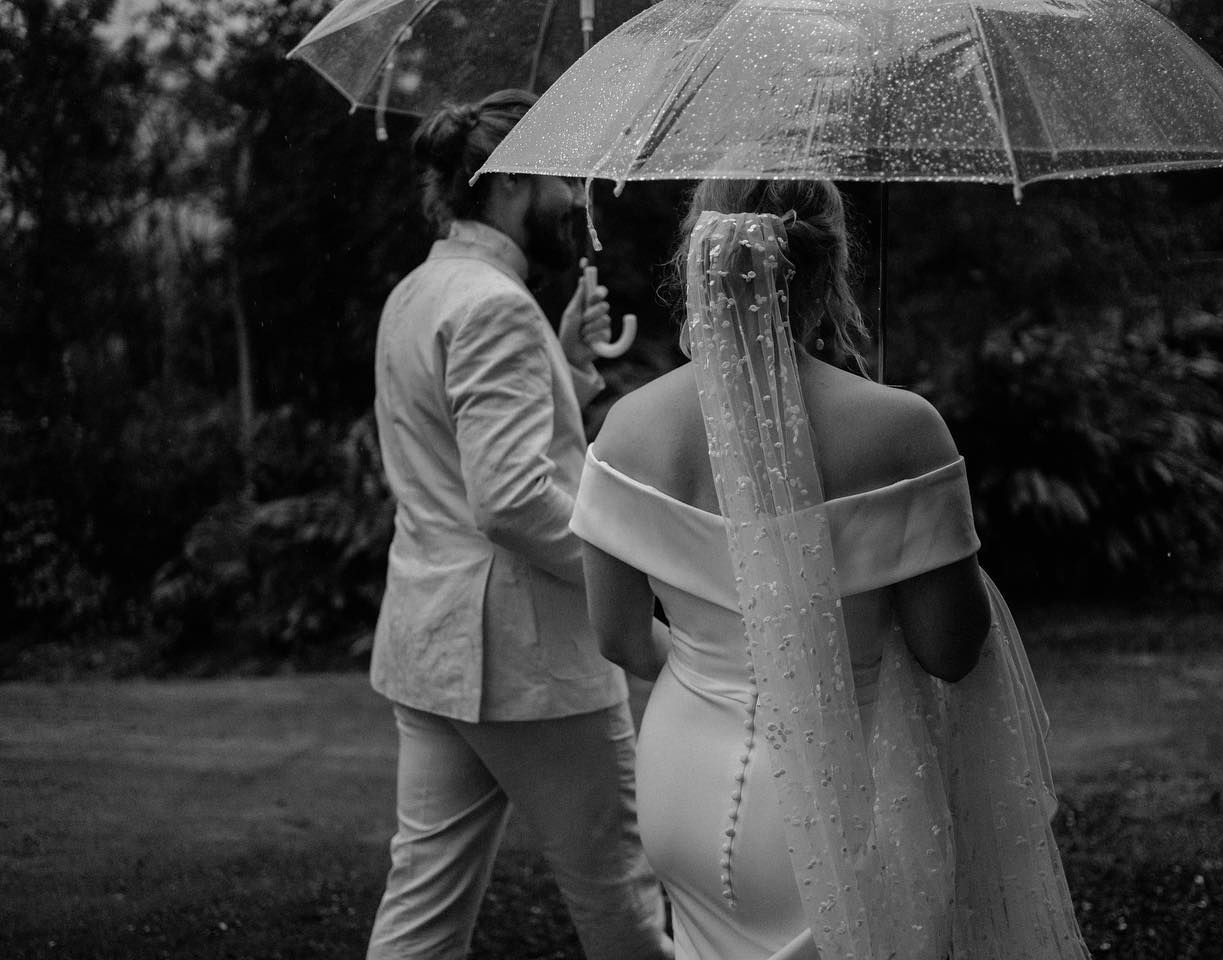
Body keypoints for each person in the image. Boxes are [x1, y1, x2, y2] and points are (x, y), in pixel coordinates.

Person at [571, 179, 1090, 960]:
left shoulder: (630, 427)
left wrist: (720, 671)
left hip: (678, 781)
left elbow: (618, 637)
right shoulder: (900, 427)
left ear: (698, 258)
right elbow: (950, 652)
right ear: (827, 268)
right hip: (839, 794)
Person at [365, 89, 672, 960]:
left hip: (434, 653)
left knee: (422, 911)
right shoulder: (495, 307)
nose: (575, 196)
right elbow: (508, 499)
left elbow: (461, 455)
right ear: (506, 183)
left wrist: (565, 363)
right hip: (530, 665)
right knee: (623, 907)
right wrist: (629, 578)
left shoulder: (419, 292)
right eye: (561, 176)